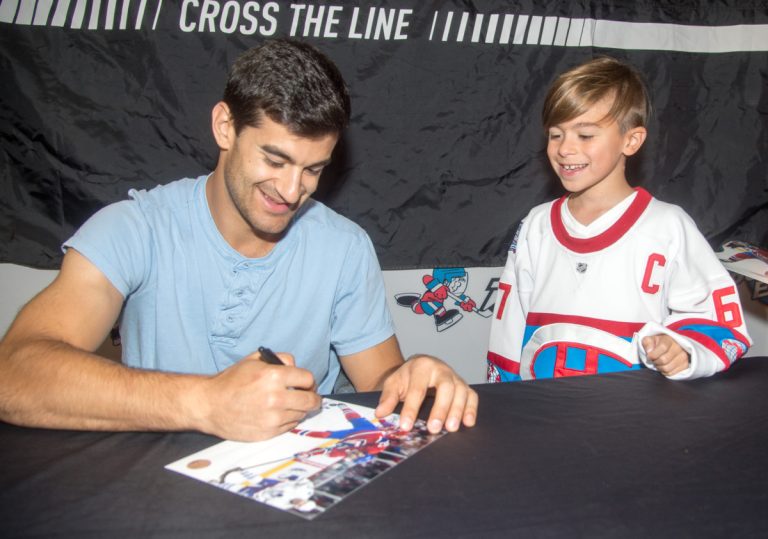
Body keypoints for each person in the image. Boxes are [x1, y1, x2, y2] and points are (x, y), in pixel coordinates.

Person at [0, 39, 477, 441]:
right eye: (274, 160)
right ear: (225, 127)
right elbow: (14, 374)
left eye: (312, 169)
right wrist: (206, 403)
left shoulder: (345, 247)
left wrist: (418, 377)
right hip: (155, 490)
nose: (292, 191)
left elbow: (380, 384)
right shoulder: (136, 227)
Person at [487, 56, 752, 382]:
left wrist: (681, 348)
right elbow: (509, 326)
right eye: (556, 135)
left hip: (632, 421)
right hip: (542, 417)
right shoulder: (536, 225)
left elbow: (721, 323)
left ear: (631, 140)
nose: (565, 149)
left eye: (584, 135)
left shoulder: (667, 226)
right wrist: (506, 405)